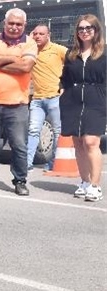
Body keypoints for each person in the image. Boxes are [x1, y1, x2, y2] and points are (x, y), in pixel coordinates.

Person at [0, 8, 37, 196]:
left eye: (19, 24)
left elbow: (26, 66)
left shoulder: (30, 43)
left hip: (17, 105)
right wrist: (13, 59)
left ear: (24, 25)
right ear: (5, 23)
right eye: (11, 23)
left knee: (19, 146)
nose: (14, 27)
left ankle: (20, 181)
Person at [60, 14, 105, 202]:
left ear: (96, 30)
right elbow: (65, 79)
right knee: (78, 142)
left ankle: (95, 186)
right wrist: (62, 92)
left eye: (89, 28)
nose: (85, 32)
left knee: (91, 142)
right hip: (73, 100)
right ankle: (85, 182)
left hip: (96, 100)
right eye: (81, 29)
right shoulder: (71, 55)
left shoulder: (104, 53)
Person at [27, 24, 67, 171]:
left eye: (41, 34)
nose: (37, 36)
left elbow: (74, 63)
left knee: (58, 132)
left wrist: (65, 84)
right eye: (35, 34)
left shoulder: (58, 49)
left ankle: (53, 164)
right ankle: (26, 164)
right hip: (37, 99)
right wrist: (29, 40)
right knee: (32, 131)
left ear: (48, 35)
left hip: (55, 98)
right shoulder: (30, 51)